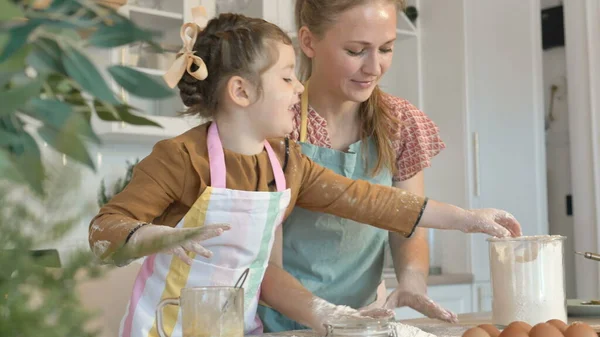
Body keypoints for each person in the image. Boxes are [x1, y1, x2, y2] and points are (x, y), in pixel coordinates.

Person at [88, 9, 521, 337]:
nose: (299, 88)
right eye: (286, 78)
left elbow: (373, 201)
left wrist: (466, 218)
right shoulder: (180, 157)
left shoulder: (286, 163)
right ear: (240, 91)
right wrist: (152, 237)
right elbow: (104, 230)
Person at [258, 0, 466, 331]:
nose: (374, 67)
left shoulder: (399, 122)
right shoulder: (278, 125)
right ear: (309, 42)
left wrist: (412, 281)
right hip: (282, 325)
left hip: (365, 324)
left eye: (386, 48)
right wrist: (325, 316)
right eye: (356, 51)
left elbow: (407, 224)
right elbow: (266, 262)